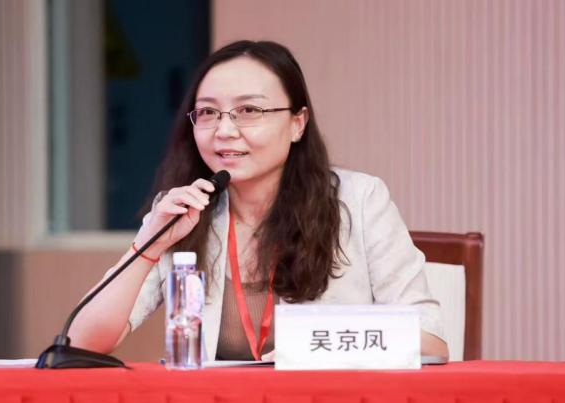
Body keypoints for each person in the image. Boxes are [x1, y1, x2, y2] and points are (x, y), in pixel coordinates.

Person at [69, 40, 448, 361]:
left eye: (249, 110)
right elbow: (82, 343)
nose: (224, 130)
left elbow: (431, 342)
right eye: (208, 112)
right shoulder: (183, 212)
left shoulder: (361, 201)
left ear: (297, 123)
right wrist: (149, 246)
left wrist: (309, 347)